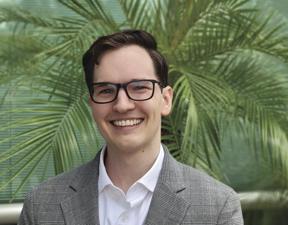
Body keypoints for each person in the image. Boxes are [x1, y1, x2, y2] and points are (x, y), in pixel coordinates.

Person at [18, 29, 243, 225]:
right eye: (106, 90)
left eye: (139, 87)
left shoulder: (217, 208)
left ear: (166, 100)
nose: (122, 105)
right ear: (92, 104)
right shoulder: (41, 206)